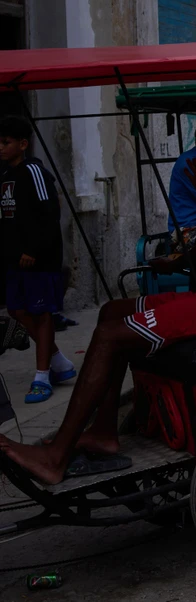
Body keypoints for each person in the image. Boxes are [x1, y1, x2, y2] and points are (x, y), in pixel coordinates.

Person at [0, 108, 196, 485]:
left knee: (111, 335)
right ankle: (104, 432)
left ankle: (55, 458)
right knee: (111, 311)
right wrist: (177, 254)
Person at [0, 116, 76, 404]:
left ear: (23, 144)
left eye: (6, 143)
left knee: (42, 315)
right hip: (13, 260)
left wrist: (33, 249)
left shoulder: (34, 171)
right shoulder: (6, 176)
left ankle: (43, 376)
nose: (1, 148)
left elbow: (49, 213)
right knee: (18, 311)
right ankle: (58, 361)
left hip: (39, 260)